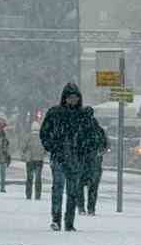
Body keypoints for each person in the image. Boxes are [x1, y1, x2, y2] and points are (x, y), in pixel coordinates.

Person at [38, 82, 97, 231]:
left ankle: (69, 221)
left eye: (75, 97)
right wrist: (52, 147)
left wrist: (84, 150)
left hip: (75, 158)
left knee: (72, 191)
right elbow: (44, 133)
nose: (72, 100)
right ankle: (56, 218)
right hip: (60, 156)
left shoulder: (81, 116)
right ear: (65, 98)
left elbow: (91, 136)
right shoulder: (56, 113)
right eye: (70, 97)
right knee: (58, 188)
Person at [81, 106, 108, 215]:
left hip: (81, 162)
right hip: (95, 162)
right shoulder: (99, 129)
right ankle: (91, 208)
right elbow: (105, 145)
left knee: (79, 186)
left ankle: (81, 207)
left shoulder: (79, 128)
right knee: (93, 187)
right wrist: (99, 154)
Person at [21, 119, 46, 200]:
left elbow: (23, 148)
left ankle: (28, 194)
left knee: (29, 178)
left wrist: (25, 153)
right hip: (39, 160)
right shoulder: (43, 137)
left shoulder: (28, 136)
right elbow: (46, 149)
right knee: (38, 178)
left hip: (30, 160)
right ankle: (37, 195)